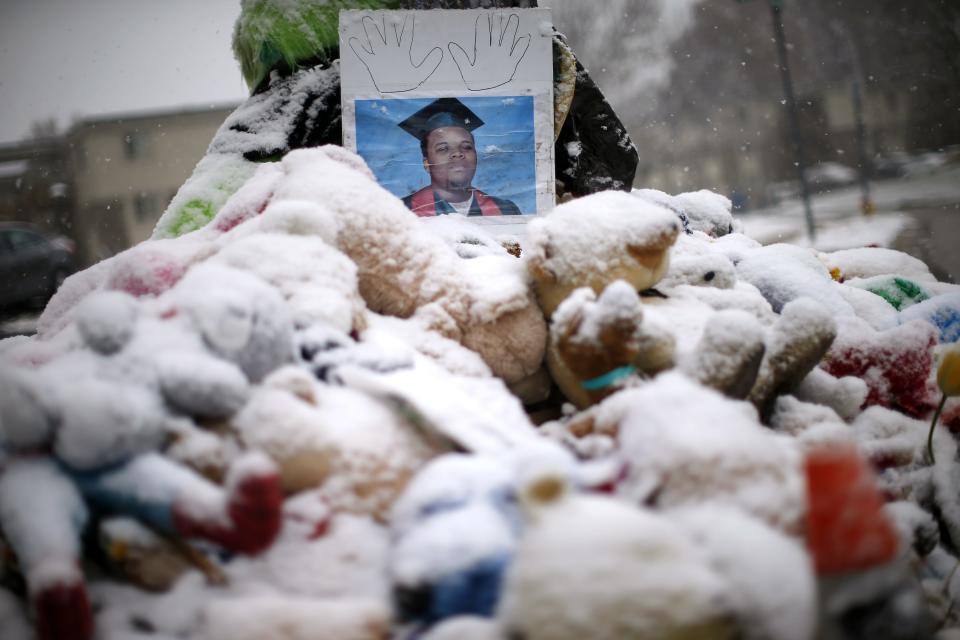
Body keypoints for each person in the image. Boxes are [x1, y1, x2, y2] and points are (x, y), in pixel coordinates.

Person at [398, 98, 521, 217]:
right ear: (427, 164)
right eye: (443, 148)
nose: (457, 153)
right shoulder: (403, 213)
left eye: (466, 147)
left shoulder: (506, 210)